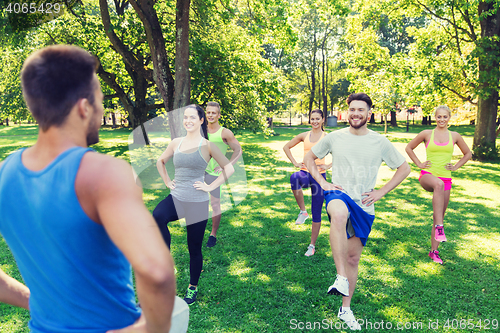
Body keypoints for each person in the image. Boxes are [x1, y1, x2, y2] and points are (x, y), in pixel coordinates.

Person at [0, 45, 178, 332]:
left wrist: (41, 302)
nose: (103, 108)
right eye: (100, 100)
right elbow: (157, 273)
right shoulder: (105, 173)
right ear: (84, 108)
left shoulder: (4, 174)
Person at [304, 93, 410, 330]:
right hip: (337, 194)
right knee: (339, 215)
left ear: (368, 114)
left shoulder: (380, 141)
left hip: (364, 205)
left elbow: (404, 168)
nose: (355, 114)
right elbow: (309, 157)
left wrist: (381, 192)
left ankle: (345, 309)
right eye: (352, 109)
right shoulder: (335, 137)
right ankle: (340, 278)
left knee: (353, 258)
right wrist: (323, 184)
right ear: (347, 112)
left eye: (361, 110)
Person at [154, 104, 234, 305]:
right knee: (157, 216)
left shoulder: (207, 145)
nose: (188, 120)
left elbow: (229, 168)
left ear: (201, 121)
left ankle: (192, 287)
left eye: (192, 117)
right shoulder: (176, 143)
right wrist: (166, 181)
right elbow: (160, 161)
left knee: (194, 248)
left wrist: (210, 186)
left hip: (197, 202)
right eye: (185, 117)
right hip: (177, 197)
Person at [405, 105, 471, 264]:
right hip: (428, 176)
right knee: (438, 184)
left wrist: (455, 166)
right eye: (439, 117)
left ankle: (434, 251)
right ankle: (440, 227)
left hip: (446, 178)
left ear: (449, 118)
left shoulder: (455, 136)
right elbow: (409, 147)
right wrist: (419, 164)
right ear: (435, 117)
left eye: (445, 117)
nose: (442, 119)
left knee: (438, 214)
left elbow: (468, 153)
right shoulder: (427, 134)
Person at [283, 109, 331, 256]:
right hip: (305, 173)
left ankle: (312, 245)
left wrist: (328, 165)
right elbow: (286, 147)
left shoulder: (327, 137)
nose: (315, 121)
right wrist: (295, 163)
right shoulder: (305, 135)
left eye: (318, 119)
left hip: (319, 177)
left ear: (323, 120)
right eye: (312, 119)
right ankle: (303, 212)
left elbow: (342, 153)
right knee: (294, 177)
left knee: (317, 212)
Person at [204, 101, 242, 248]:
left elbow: (238, 150)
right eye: (208, 112)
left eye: (214, 112)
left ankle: (213, 234)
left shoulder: (225, 132)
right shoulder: (200, 129)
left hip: (214, 173)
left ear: (219, 115)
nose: (211, 115)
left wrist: (227, 166)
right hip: (199, 171)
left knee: (215, 204)